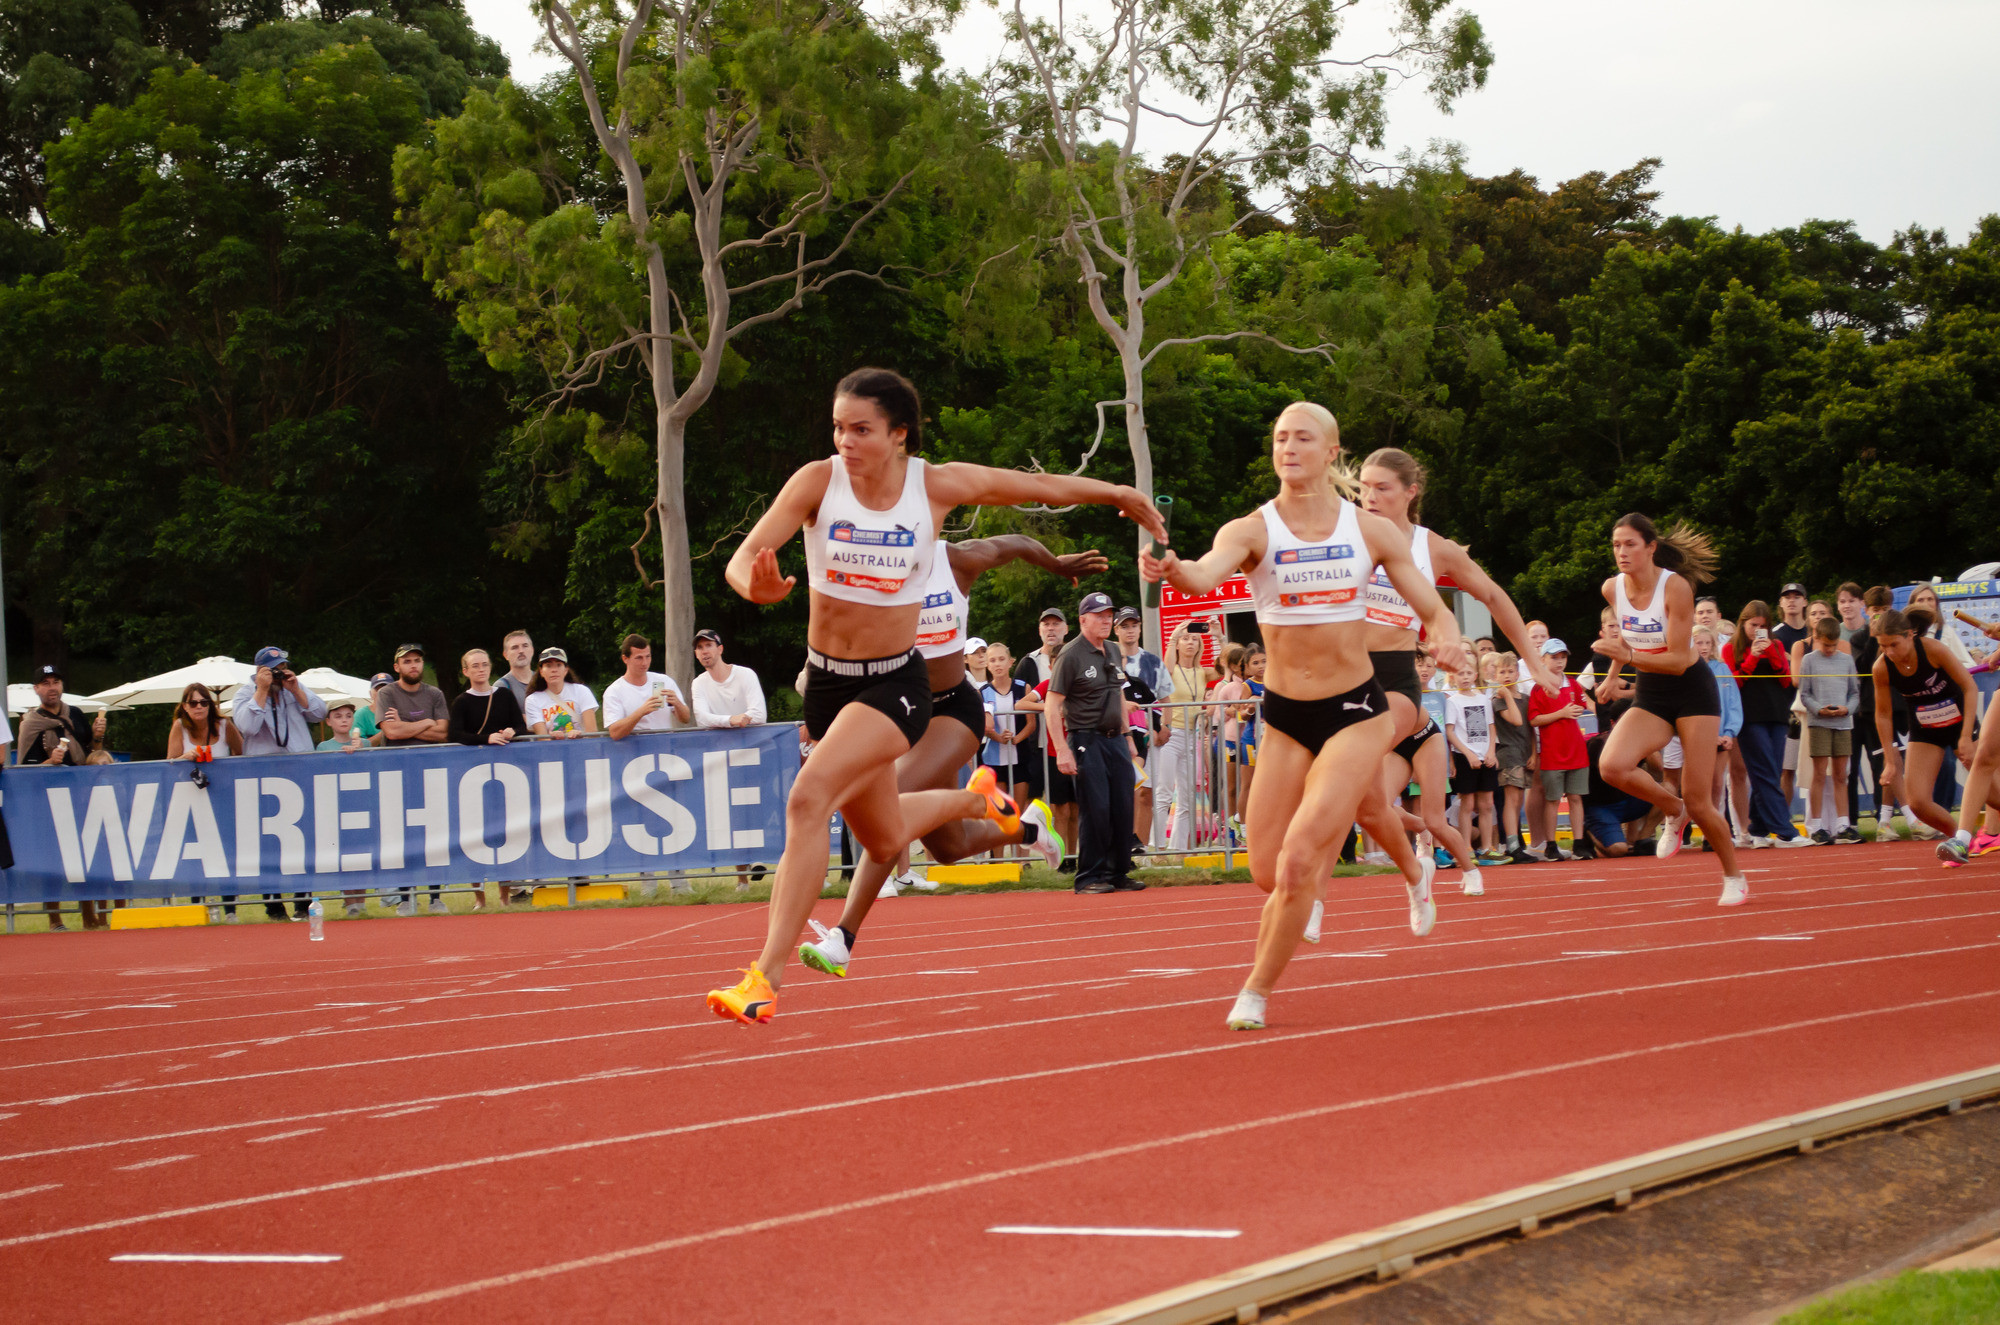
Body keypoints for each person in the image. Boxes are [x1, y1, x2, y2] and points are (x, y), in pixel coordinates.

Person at [708, 365, 1168, 1023]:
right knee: (887, 832)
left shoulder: (935, 485)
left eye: (860, 429)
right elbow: (743, 557)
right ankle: (986, 802)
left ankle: (764, 976)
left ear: (899, 434)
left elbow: (1034, 487)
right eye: (838, 427)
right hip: (827, 685)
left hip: (897, 684)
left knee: (809, 796)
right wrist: (755, 584)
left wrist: (1117, 492)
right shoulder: (817, 481)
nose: (845, 441)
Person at [1142, 400, 1464, 1031]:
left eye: (1302, 438)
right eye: (1280, 438)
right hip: (1286, 716)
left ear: (1332, 451)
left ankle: (1255, 992)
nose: (1288, 448)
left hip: (1355, 712)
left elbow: (1434, 607)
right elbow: (1204, 574)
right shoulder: (1253, 529)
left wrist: (1447, 635)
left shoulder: (1370, 532)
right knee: (1268, 870)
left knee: (1295, 863)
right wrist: (1175, 569)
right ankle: (1369, 875)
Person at [801, 534, 1100, 975]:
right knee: (949, 848)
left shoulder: (957, 559)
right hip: (905, 715)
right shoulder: (870, 575)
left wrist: (1055, 562)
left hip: (954, 712)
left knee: (894, 804)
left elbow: (1014, 542)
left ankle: (843, 937)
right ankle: (1027, 829)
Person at [1357, 447, 1559, 902]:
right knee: (1365, 806)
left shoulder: (1434, 549)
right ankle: (1417, 872)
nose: (1369, 496)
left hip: (1393, 678)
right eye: (1363, 487)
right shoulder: (1344, 529)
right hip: (1344, 672)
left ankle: (1311, 898)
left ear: (1411, 493)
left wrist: (1533, 659)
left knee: (1348, 775)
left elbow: (1493, 595)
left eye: (1382, 488)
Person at [1588, 515, 1748, 903]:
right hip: (1653, 692)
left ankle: (1734, 876)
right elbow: (1626, 632)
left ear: (1651, 547)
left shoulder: (1674, 587)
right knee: (1612, 766)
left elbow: (1677, 659)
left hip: (1692, 690)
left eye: (1630, 544)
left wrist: (1627, 655)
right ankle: (1672, 809)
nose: (1621, 552)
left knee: (1700, 799)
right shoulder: (1613, 588)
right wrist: (1613, 674)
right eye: (1616, 545)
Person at [1047, 591, 1143, 894]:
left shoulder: (1113, 649)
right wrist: (1062, 749)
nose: (1106, 620)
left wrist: (1128, 737)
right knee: (1096, 808)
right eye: (1099, 615)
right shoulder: (1070, 654)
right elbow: (1052, 704)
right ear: (1082, 619)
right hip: (1086, 738)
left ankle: (1117, 872)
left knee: (1122, 807)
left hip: (1115, 739)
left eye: (1108, 614)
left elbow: (1118, 693)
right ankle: (1089, 875)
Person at [1872, 606, 1980, 853]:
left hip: (1960, 721)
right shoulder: (1882, 668)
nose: (1889, 652)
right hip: (1925, 729)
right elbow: (1883, 714)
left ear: (1910, 635)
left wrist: (1965, 736)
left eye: (1894, 645)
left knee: (1992, 792)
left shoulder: (1933, 650)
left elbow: (1969, 687)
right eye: (1883, 646)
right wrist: (1890, 761)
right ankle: (1962, 840)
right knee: (1918, 802)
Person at [232, 646, 326, 920]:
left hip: (298, 773)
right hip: (263, 777)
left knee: (302, 840)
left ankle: (302, 901)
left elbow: (320, 713)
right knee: (269, 843)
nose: (278, 672)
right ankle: (273, 905)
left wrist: (296, 689)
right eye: (273, 668)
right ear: (259, 671)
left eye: (282, 666)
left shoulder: (292, 687)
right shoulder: (244, 693)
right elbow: (247, 727)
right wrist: (260, 692)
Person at [17, 665, 112, 929]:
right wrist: (50, 761)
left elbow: (92, 754)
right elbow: (24, 770)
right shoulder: (31, 724)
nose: (52, 687)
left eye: (56, 681)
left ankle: (91, 916)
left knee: (89, 857)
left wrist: (98, 737)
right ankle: (55, 919)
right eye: (45, 683)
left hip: (83, 798)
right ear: (36, 689)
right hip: (50, 802)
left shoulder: (77, 714)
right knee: (55, 860)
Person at [1722, 601, 1806, 846]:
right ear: (1743, 624)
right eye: (1753, 625)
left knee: (1770, 771)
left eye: (1763, 626)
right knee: (1765, 772)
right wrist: (1752, 658)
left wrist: (1771, 653)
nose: (1758, 630)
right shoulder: (1730, 648)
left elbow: (1785, 681)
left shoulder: (1777, 645)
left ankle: (1757, 830)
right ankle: (1785, 831)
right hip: (1749, 718)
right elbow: (1733, 684)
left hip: (1776, 715)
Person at [1796, 616, 1861, 845]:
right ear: (1816, 638)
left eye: (1833, 645)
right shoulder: (1809, 660)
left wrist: (1847, 709)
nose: (1830, 649)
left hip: (1843, 723)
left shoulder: (1846, 660)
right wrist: (1819, 710)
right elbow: (1804, 694)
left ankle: (1843, 824)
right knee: (1819, 773)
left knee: (1842, 775)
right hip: (1819, 722)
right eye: (1826, 645)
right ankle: (1816, 825)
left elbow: (1854, 692)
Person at [1527, 640, 1590, 862]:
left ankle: (1579, 843)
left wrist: (1570, 710)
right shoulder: (1537, 688)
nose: (1559, 661)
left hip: (1576, 750)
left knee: (1575, 798)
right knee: (1552, 799)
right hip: (1552, 753)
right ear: (1543, 659)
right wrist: (1561, 713)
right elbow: (1534, 719)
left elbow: (1581, 706)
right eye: (1554, 657)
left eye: (1562, 656)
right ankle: (1551, 844)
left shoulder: (1573, 684)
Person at [1154, 622, 1214, 852]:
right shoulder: (1171, 668)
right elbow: (1166, 670)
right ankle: (1156, 849)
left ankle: (1178, 852)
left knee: (1188, 800)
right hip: (1171, 734)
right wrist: (1174, 635)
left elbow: (1229, 666)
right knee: (1164, 794)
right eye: (1186, 639)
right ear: (1177, 644)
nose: (1190, 643)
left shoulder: (1203, 672)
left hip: (1193, 735)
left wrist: (1218, 636)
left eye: (1195, 640)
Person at [1694, 626, 1751, 846]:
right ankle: (1701, 830)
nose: (1704, 648)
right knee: (1700, 786)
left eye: (1708, 643)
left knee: (1717, 784)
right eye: (1699, 643)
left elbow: (1733, 703)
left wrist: (1729, 732)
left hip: (1722, 737)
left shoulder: (1722, 669)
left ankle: (1713, 834)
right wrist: (1706, 735)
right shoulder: (1685, 669)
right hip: (1697, 738)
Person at [1445, 655, 1500, 877]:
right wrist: (1467, 754)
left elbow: (1491, 727)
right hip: (1464, 757)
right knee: (1466, 805)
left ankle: (1487, 847)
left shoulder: (1484, 699)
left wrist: (1491, 752)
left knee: (1487, 804)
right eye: (1460, 673)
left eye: (1469, 673)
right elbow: (1450, 731)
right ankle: (1466, 847)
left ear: (1475, 675)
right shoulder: (1452, 701)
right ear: (1453, 676)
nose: (1465, 677)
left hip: (1485, 756)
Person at [1114, 607, 1165, 844]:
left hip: (1140, 743)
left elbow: (1157, 706)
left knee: (1138, 788)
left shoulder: (1144, 673)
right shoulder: (1106, 682)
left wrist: (1157, 727)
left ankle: (1137, 842)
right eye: (1124, 625)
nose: (1130, 630)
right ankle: (1120, 840)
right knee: (1123, 791)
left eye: (1134, 625)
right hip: (1113, 740)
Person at [979, 641, 1036, 850]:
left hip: (1019, 755)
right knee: (999, 811)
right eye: (992, 660)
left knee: (1019, 809)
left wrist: (1016, 738)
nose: (997, 664)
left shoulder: (1022, 687)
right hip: (994, 758)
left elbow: (1031, 723)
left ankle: (1021, 858)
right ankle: (998, 858)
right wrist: (997, 737)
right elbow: (985, 726)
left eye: (1001, 659)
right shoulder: (984, 692)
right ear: (987, 665)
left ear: (1011, 662)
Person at [1488, 651, 1534, 863]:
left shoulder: (1525, 698)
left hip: (1524, 754)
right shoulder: (1498, 700)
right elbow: (1515, 719)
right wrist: (1506, 694)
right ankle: (1512, 844)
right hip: (1508, 753)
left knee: (1519, 801)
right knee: (1511, 800)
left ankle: (1516, 843)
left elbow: (1531, 727)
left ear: (1517, 672)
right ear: (1495, 675)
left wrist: (1534, 753)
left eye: (1510, 671)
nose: (1506, 675)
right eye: (1502, 672)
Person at [603, 634, 692, 738]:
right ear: (625, 659)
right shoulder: (614, 691)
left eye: (648, 656)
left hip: (665, 748)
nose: (645, 663)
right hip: (635, 752)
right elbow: (615, 733)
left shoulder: (664, 681)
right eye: (639, 658)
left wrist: (677, 704)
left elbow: (686, 719)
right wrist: (641, 712)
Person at [450, 649, 527, 748]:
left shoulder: (505, 694)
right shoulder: (461, 701)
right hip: (476, 758)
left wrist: (513, 731)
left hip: (506, 755)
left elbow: (521, 726)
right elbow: (455, 735)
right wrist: (486, 739)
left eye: (485, 664)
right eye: (475, 666)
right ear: (465, 671)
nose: (481, 669)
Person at [690, 629, 767, 729]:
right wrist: (730, 720)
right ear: (696, 654)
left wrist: (735, 720)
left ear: (720, 649)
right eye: (700, 647)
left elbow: (759, 715)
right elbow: (702, 720)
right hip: (721, 743)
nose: (704, 651)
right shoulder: (698, 683)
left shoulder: (746, 674)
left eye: (709, 645)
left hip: (753, 741)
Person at [375, 645, 450, 746]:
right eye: (407, 661)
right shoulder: (386, 693)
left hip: (430, 758)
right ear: (396, 667)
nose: (413, 665)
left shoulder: (435, 693)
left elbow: (443, 734)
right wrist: (427, 722)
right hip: (397, 758)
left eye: (417, 660)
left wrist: (402, 726)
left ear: (422, 663)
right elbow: (392, 732)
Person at [524, 647, 599, 738]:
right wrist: (554, 739)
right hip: (553, 750)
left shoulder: (582, 691)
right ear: (541, 672)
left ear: (566, 670)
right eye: (548, 665)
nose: (554, 670)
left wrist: (579, 736)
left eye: (559, 665)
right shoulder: (532, 700)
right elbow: (542, 739)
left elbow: (592, 733)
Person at [1020, 608, 1068, 688]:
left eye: (1056, 624)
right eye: (1046, 624)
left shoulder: (1076, 658)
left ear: (1066, 629)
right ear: (1039, 630)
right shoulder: (1028, 662)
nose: (1050, 628)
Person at [498, 630, 537, 710]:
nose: (521, 651)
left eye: (525, 646)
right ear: (506, 655)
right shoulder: (502, 687)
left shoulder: (544, 680)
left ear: (532, 650)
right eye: (515, 647)